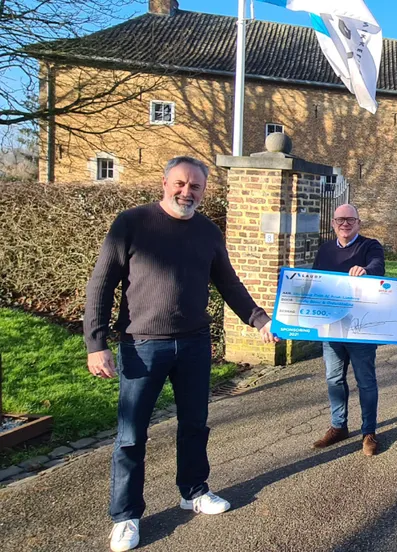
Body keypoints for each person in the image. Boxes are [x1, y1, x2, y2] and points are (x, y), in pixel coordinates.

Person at [84, 156, 278, 552]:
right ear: (165, 182)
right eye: (180, 184)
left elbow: (228, 282)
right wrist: (96, 343)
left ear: (204, 191)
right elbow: (101, 285)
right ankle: (126, 516)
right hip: (141, 345)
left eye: (195, 187)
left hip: (193, 344)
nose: (186, 192)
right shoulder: (132, 223)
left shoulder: (208, 232)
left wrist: (259, 319)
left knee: (195, 423)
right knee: (130, 434)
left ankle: (193, 491)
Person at [311, 203, 385, 456]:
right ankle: (338, 426)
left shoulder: (370, 246)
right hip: (331, 326)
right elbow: (314, 284)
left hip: (360, 326)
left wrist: (366, 270)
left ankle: (369, 433)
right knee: (333, 378)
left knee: (366, 381)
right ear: (333, 223)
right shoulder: (325, 250)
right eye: (340, 220)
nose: (345, 224)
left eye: (350, 220)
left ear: (358, 223)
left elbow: (378, 266)